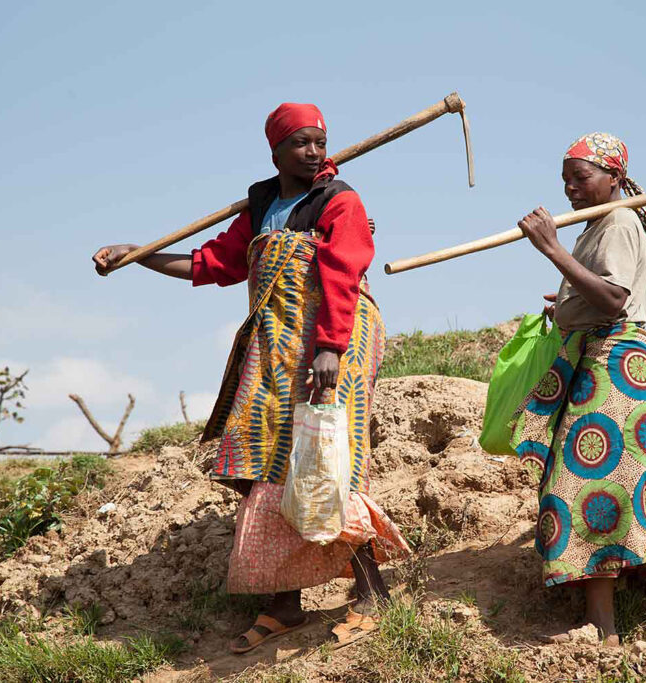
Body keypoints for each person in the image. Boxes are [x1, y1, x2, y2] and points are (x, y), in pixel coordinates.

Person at [92, 103, 408, 652]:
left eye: (320, 142)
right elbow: (211, 263)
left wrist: (328, 350)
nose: (313, 152)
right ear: (276, 151)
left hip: (336, 339)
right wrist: (138, 255)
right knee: (263, 458)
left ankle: (372, 594)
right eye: (301, 144)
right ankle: (284, 604)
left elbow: (342, 276)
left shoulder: (340, 201)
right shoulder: (263, 205)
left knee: (323, 456)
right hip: (277, 345)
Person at [511, 132, 646, 645]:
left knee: (582, 485)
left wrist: (553, 250)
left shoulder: (619, 222)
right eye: (566, 181)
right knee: (607, 484)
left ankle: (603, 630)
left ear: (614, 178)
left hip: (614, 364)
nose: (571, 189)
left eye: (581, 178)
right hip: (624, 360)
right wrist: (570, 303)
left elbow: (616, 299)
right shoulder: (613, 224)